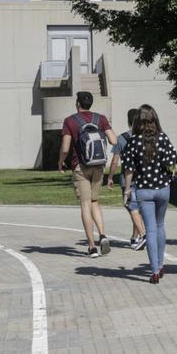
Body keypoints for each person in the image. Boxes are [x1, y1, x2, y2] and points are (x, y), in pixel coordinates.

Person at [58, 91, 119, 258]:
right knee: (95, 201)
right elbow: (114, 141)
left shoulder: (70, 121)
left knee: (85, 204)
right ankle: (103, 235)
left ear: (78, 103)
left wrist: (61, 162)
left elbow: (65, 148)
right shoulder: (101, 119)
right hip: (99, 165)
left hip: (81, 166)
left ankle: (92, 246)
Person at [121, 104, 176, 284]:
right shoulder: (163, 138)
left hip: (144, 190)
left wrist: (127, 190)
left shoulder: (133, 141)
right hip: (163, 189)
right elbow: (172, 163)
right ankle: (160, 265)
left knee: (150, 229)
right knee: (160, 225)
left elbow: (128, 170)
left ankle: (153, 271)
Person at [105, 108, 147, 250]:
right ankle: (134, 239)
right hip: (144, 177)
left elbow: (115, 161)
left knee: (131, 207)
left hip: (127, 178)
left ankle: (142, 235)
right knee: (138, 210)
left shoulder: (121, 138)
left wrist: (110, 177)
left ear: (128, 120)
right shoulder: (146, 137)